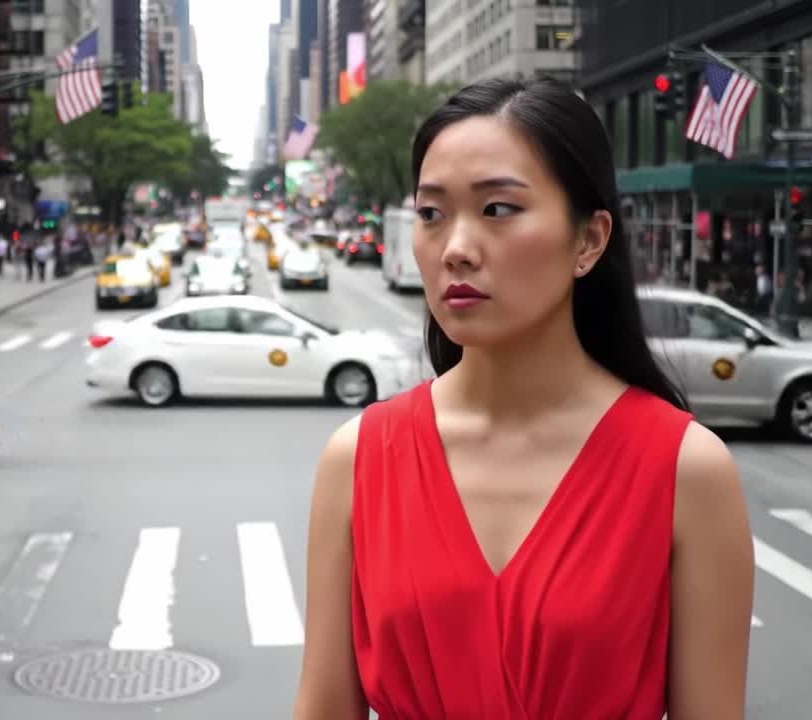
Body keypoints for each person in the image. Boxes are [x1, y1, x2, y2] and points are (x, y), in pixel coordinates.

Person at [294, 78, 754, 720]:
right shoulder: (359, 459)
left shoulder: (685, 470)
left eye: (498, 209)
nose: (455, 248)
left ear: (589, 240)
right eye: (431, 214)